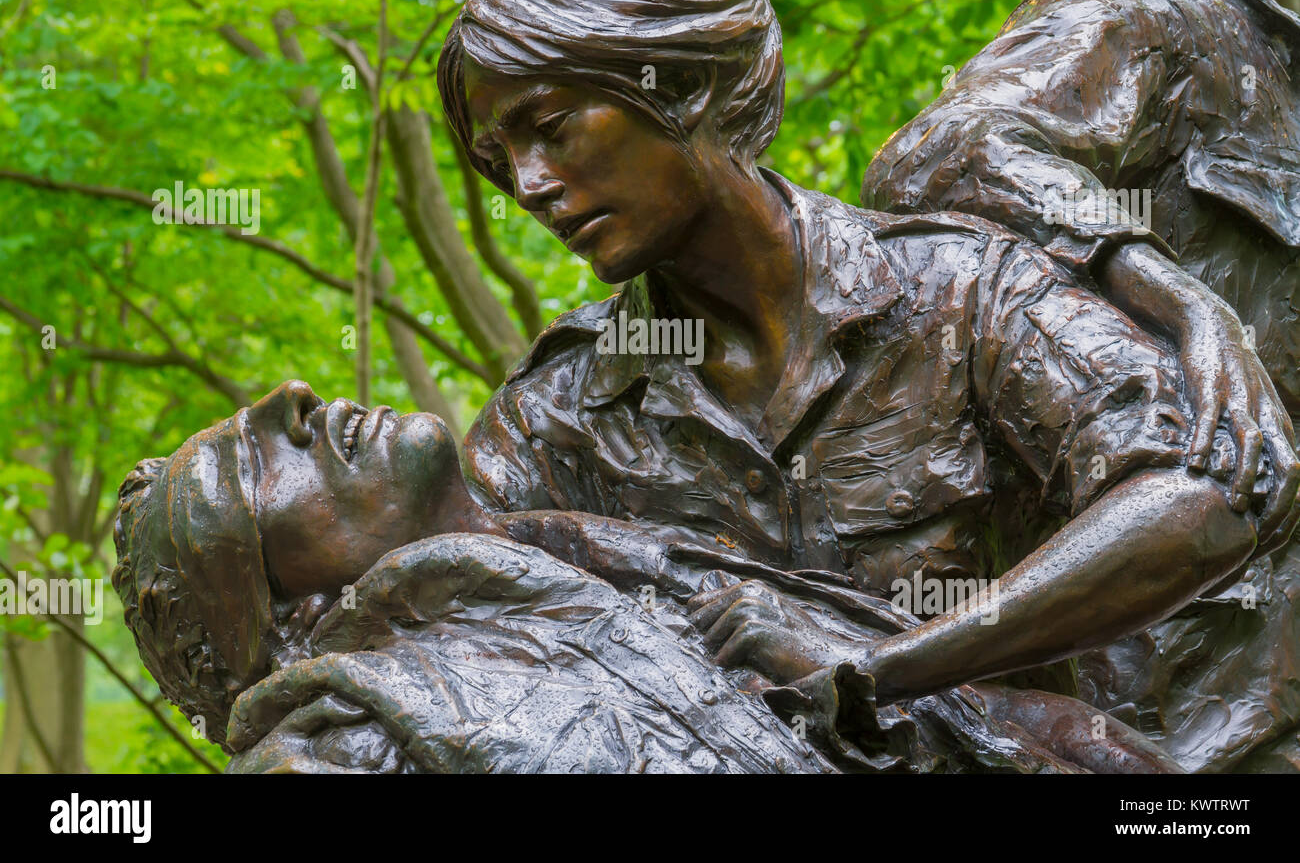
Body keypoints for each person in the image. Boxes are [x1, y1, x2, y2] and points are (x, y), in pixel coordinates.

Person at [437, 0, 1293, 738]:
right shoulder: (556, 413)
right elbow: (419, 577)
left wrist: (882, 666)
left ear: (686, 87)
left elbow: (1208, 497)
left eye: (549, 128)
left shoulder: (960, 290)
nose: (529, 185)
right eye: (496, 162)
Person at [113, 381, 1174, 772]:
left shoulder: (638, 567)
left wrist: (876, 674)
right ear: (295, 624)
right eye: (257, 465)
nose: (290, 398)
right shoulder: (341, 748)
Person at [860, 0, 1300, 771]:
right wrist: (1186, 304)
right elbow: (943, 154)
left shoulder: (1251, 39)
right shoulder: (1136, 3)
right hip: (1180, 679)